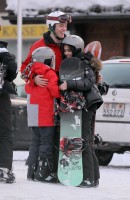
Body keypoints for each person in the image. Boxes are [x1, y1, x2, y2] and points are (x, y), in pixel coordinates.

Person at [21, 10, 72, 176]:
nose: (64, 28)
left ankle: (52, 170)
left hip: (62, 97)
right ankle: (35, 171)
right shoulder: (39, 45)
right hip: (47, 99)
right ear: (51, 26)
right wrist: (33, 78)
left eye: (65, 25)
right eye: (60, 25)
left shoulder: (68, 44)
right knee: (42, 138)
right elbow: (24, 69)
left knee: (56, 137)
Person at [59, 35, 103, 188]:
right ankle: (94, 177)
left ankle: (88, 179)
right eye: (65, 50)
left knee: (84, 140)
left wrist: (68, 84)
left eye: (69, 50)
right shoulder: (76, 63)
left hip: (88, 105)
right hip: (86, 105)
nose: (67, 53)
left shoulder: (83, 62)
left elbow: (88, 82)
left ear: (76, 49)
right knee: (88, 141)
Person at [25, 46, 60, 183]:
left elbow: (27, 88)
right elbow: (54, 92)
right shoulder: (49, 73)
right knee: (46, 143)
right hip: (45, 113)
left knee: (35, 142)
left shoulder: (31, 73)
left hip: (33, 113)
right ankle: (43, 172)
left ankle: (31, 171)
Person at [0, 24, 17, 183]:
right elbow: (12, 68)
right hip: (1, 95)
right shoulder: (2, 51)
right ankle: (4, 169)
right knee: (4, 133)